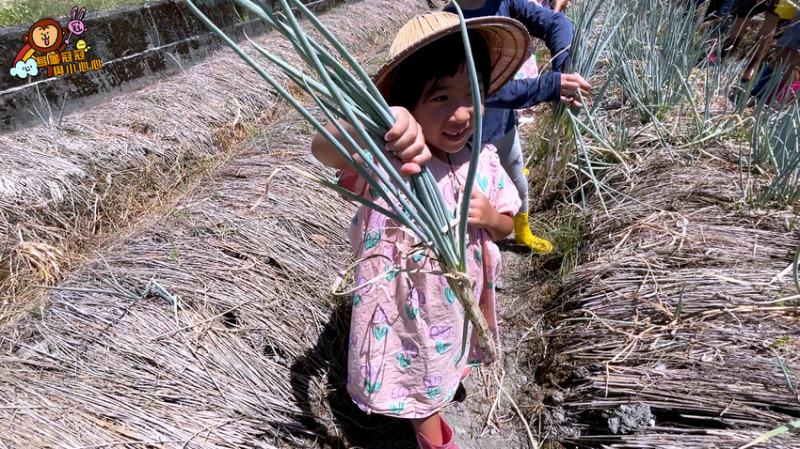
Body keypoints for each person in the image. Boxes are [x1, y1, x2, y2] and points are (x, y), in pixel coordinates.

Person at [310, 11, 530, 449]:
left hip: (459, 301)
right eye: (441, 97)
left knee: (449, 352)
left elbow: (506, 226)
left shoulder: (483, 161)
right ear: (408, 104)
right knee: (422, 379)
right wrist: (381, 122)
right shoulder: (389, 165)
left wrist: (490, 218)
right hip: (407, 309)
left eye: (472, 93)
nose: (462, 112)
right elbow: (324, 148)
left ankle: (446, 379)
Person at [444, 0, 591, 253]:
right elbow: (481, 90)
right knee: (472, 198)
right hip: (464, 137)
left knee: (517, 183)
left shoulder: (503, 2)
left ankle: (522, 232)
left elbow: (556, 22)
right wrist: (549, 86)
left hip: (503, 127)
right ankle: (477, 250)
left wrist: (563, 67)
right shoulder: (448, 22)